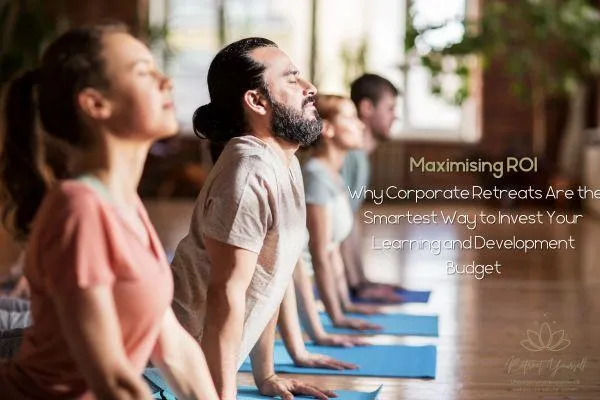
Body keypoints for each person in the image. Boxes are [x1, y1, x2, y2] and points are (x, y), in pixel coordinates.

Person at [0, 22, 218, 400]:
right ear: (95, 104)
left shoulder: (125, 203)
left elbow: (175, 349)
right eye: (142, 72)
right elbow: (112, 380)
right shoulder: (78, 209)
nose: (165, 80)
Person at [170, 37, 338, 400]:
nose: (310, 89)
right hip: (152, 372)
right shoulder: (248, 173)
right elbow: (225, 294)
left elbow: (268, 279)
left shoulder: (284, 161)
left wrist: (265, 374)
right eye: (292, 79)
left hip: (186, 372)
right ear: (257, 100)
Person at [301, 94, 383, 331]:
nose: (360, 125)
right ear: (327, 129)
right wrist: (336, 318)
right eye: (350, 118)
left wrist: (346, 305)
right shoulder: (316, 176)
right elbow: (319, 256)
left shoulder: (334, 175)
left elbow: (333, 250)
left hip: (311, 288)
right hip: (296, 288)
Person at [340, 73, 404, 303]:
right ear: (367, 107)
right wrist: (356, 288)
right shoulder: (349, 157)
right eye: (390, 108)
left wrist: (362, 280)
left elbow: (350, 222)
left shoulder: (360, 157)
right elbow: (337, 227)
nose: (395, 116)